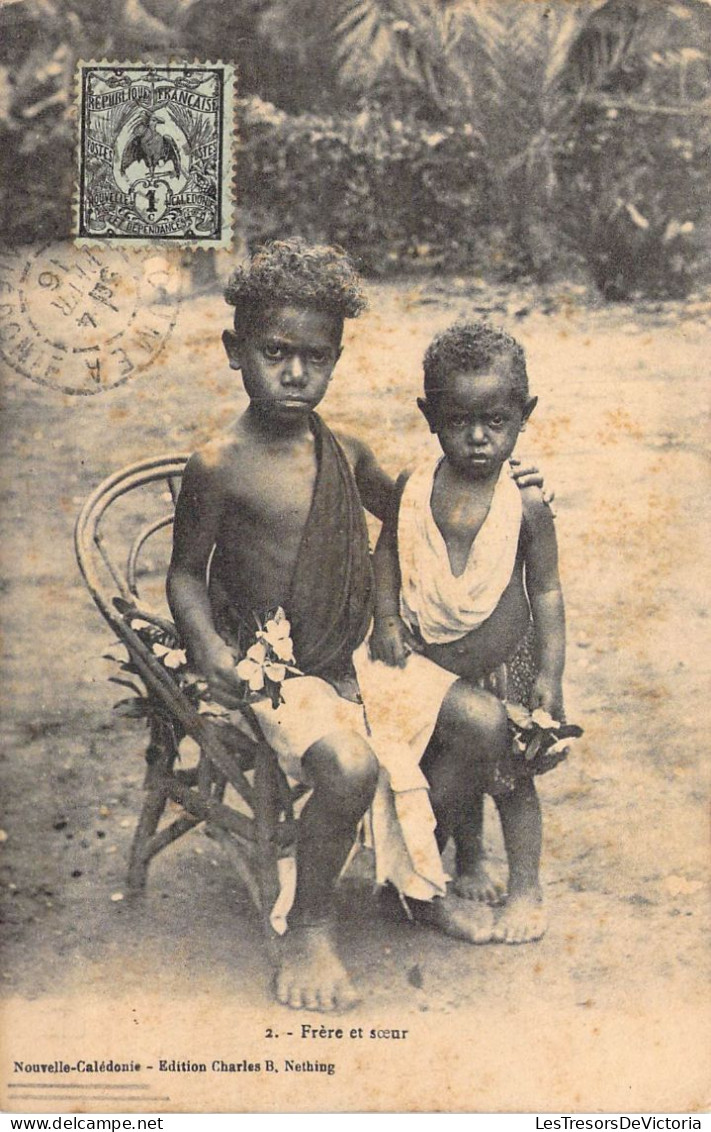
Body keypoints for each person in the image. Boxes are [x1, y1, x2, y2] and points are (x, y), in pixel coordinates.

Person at [167, 240, 545, 1011]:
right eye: (276, 352)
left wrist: (503, 486)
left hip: (351, 653)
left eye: (317, 356)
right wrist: (208, 647)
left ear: (335, 359)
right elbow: (182, 575)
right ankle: (309, 927)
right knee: (346, 765)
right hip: (271, 667)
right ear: (235, 350)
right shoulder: (218, 464)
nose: (296, 373)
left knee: (481, 722)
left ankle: (410, 877)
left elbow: (419, 507)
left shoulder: (346, 452)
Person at [367, 321, 567, 944]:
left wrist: (552, 675)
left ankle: (526, 887)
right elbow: (387, 557)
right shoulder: (414, 489)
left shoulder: (525, 504)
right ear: (430, 416)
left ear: (524, 415)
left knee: (510, 775)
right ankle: (471, 859)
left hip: (506, 661)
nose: (479, 439)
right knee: (451, 763)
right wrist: (387, 619)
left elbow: (549, 591)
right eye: (459, 422)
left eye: (497, 422)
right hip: (435, 662)